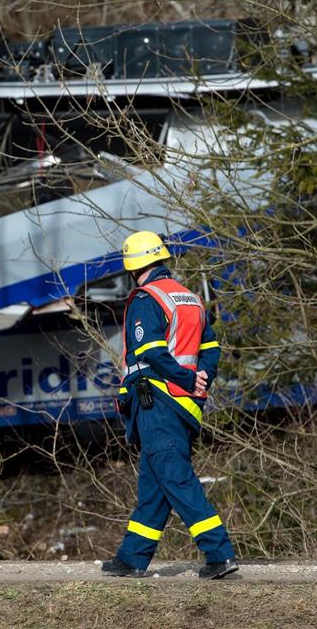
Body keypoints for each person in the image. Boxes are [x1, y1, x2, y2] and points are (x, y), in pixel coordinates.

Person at [101, 230, 238, 580]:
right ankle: (132, 558)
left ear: (133, 266)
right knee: (154, 484)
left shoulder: (147, 299)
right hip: (184, 405)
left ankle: (219, 553)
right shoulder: (189, 298)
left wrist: (186, 378)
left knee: (175, 479)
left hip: (158, 401)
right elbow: (211, 349)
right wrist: (200, 378)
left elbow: (151, 353)